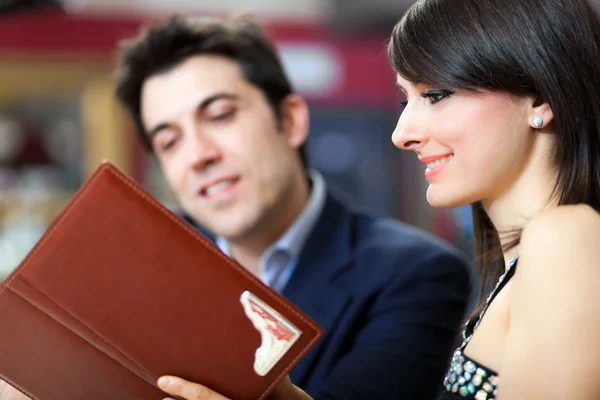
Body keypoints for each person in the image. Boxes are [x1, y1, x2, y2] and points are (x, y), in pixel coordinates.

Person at [151, 0, 600, 399]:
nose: (402, 133)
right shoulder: (527, 262)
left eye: (436, 96)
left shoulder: (563, 239)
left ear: (539, 97)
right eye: (406, 98)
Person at [112, 13, 471, 400]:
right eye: (169, 141)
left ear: (290, 119)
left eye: (220, 115)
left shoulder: (415, 274)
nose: (198, 155)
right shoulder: (140, 264)